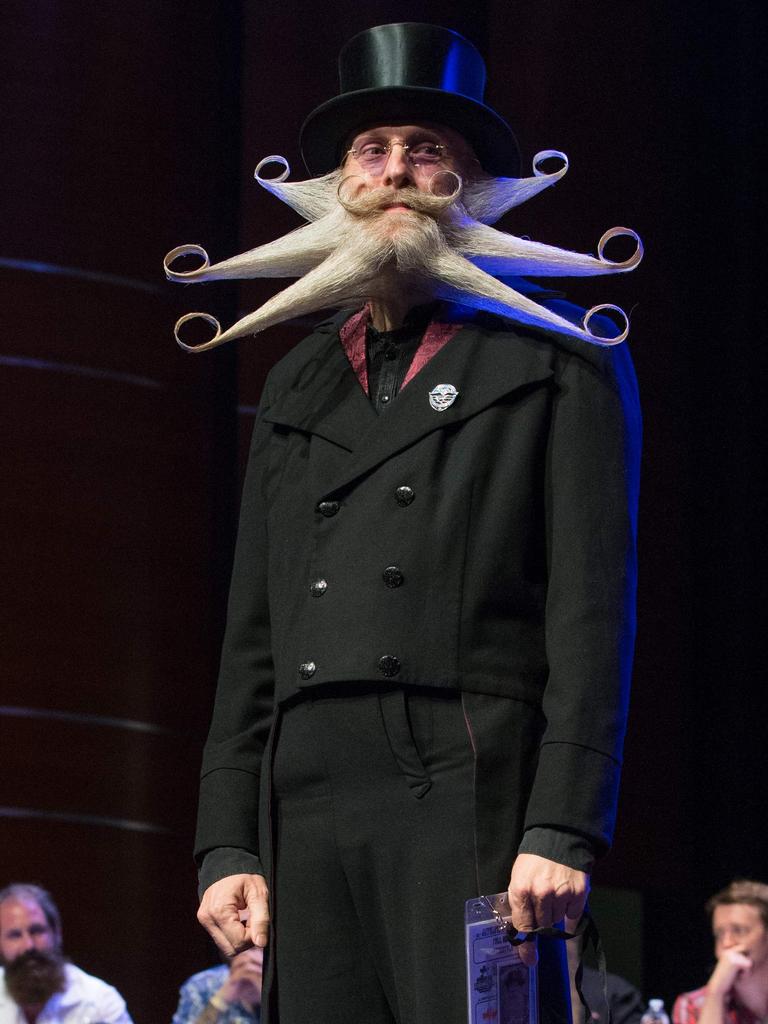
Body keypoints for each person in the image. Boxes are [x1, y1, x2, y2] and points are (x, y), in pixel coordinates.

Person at [166, 22, 642, 1024]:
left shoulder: (562, 355)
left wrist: (564, 822)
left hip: (468, 776)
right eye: (369, 153)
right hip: (307, 794)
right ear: (338, 188)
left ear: (470, 185)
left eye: (427, 149)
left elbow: (594, 614)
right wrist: (226, 841)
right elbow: (251, 632)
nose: (395, 173)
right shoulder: (299, 375)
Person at [0, 883, 132, 1024]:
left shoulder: (101, 1005)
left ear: (57, 933)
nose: (28, 945)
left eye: (37, 931)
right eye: (14, 935)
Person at [673, 880, 768, 1024]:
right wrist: (715, 993)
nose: (726, 943)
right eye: (719, 934)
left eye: (739, 930)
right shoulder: (694, 1005)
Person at [171, 948, 262, 1024]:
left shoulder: (273, 985)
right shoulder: (201, 985)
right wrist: (221, 999)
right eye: (241, 964)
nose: (249, 967)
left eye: (255, 949)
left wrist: (267, 994)